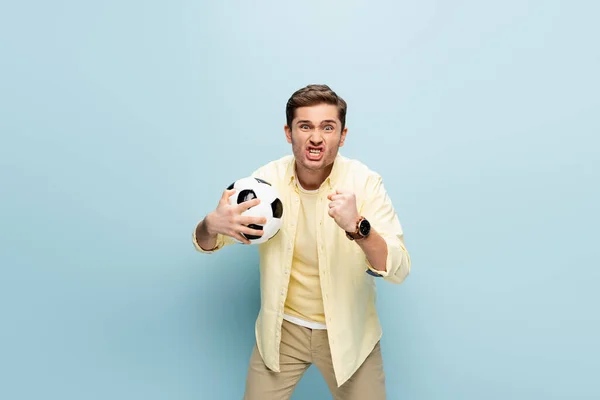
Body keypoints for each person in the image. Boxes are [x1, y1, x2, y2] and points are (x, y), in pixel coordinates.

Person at [193, 84, 411, 399]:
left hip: (349, 335)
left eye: (328, 127)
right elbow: (209, 241)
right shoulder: (265, 181)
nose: (316, 137)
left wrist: (357, 227)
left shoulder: (365, 183)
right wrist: (210, 225)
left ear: (343, 135)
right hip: (282, 333)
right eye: (305, 126)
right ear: (289, 132)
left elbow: (399, 268)